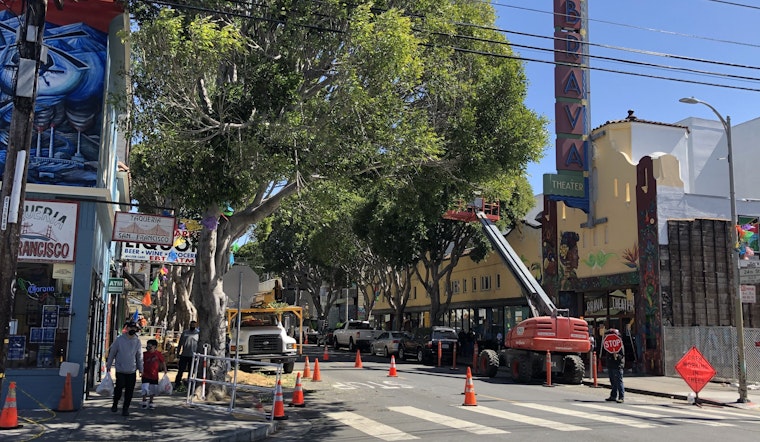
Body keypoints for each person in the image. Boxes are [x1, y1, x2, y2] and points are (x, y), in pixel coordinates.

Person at [106, 321, 144, 416]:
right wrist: (109, 365)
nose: (132, 330)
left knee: (129, 391)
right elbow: (112, 353)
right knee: (119, 387)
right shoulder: (119, 340)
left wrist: (141, 369)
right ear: (126, 328)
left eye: (134, 328)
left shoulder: (137, 341)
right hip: (120, 369)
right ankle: (115, 403)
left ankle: (125, 408)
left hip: (131, 370)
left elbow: (139, 356)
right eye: (130, 328)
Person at [141, 339, 167, 410]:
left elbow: (163, 361)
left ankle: (151, 401)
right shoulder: (144, 354)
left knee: (153, 389)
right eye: (147, 346)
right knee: (145, 388)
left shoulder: (158, 354)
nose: (148, 348)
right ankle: (144, 400)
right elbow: (140, 362)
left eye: (150, 346)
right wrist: (140, 370)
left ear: (155, 347)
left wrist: (165, 369)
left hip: (154, 375)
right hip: (145, 374)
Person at [174, 320, 199, 392]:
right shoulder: (185, 332)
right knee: (180, 370)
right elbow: (180, 344)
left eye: (194, 325)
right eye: (192, 324)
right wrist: (178, 353)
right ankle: (177, 383)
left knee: (191, 371)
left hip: (193, 356)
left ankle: (189, 384)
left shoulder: (198, 333)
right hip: (184, 355)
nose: (193, 326)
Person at [603, 328, 625, 403]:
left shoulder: (619, 344)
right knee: (613, 381)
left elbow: (622, 356)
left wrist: (616, 355)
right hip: (611, 364)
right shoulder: (608, 343)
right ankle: (613, 395)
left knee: (619, 381)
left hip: (618, 365)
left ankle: (621, 397)